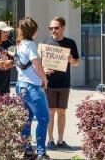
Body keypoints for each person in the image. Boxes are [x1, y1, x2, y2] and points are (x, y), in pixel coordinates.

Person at [14, 17, 50, 160]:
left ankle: (27, 151)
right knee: (43, 119)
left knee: (27, 120)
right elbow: (37, 66)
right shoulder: (30, 45)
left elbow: (25, 67)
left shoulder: (19, 45)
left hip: (20, 86)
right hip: (32, 87)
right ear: (33, 30)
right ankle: (41, 153)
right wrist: (45, 79)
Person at [41, 17, 79, 150]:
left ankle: (61, 140)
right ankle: (50, 140)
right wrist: (43, 70)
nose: (53, 30)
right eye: (51, 28)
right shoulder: (45, 42)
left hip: (64, 83)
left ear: (63, 27)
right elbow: (37, 63)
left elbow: (76, 63)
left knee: (62, 112)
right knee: (51, 112)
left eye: (56, 28)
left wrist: (71, 60)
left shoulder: (70, 43)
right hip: (49, 83)